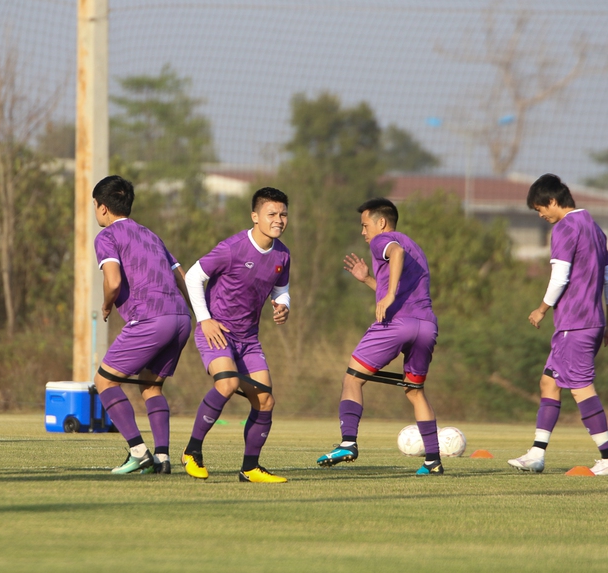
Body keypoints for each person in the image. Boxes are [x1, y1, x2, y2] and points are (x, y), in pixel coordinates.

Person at [316, 198, 444, 476]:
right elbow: (403, 281)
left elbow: (394, 254)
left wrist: (388, 295)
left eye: (365, 225)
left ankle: (348, 442)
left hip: (398, 324)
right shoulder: (417, 249)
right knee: (415, 391)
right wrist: (368, 281)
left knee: (352, 378)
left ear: (381, 222)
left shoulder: (384, 241)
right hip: (427, 326)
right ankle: (433, 461)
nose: (363, 232)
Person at [181, 187, 291, 483]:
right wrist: (205, 320)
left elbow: (281, 288)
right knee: (227, 383)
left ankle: (250, 467)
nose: (278, 220)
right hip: (217, 332)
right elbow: (193, 276)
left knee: (265, 400)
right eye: (271, 214)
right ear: (255, 217)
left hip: (248, 339)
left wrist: (283, 305)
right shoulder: (232, 248)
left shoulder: (282, 254)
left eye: (283, 214)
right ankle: (192, 452)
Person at [91, 176, 192, 475]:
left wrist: (108, 304)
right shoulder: (151, 235)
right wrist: (202, 315)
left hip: (151, 319)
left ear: (104, 208)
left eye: (95, 206)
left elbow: (114, 281)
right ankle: (162, 457)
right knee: (150, 385)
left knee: (104, 381)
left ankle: (138, 452)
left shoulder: (107, 236)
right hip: (181, 317)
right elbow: (182, 277)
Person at [508, 174, 608, 475]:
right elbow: (606, 280)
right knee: (549, 382)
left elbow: (560, 276)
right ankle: (536, 454)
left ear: (553, 201)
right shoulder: (596, 228)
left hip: (574, 324)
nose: (541, 215)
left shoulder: (566, 227)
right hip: (592, 322)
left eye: (541, 208)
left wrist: (541, 309)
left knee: (580, 387)